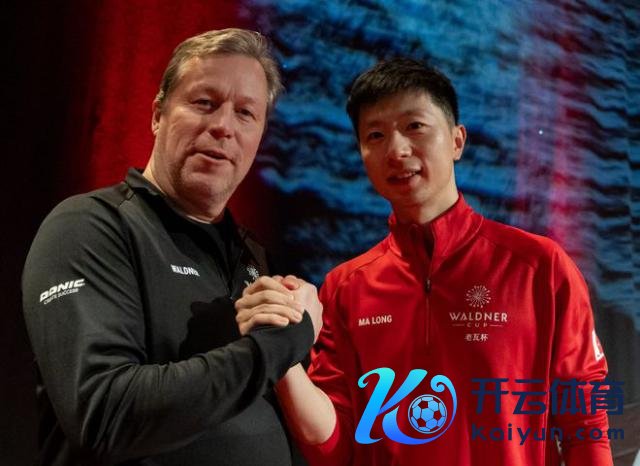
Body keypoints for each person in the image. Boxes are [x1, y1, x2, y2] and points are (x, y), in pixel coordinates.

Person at [236, 58, 614, 465]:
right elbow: (335, 444)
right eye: (375, 135)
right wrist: (281, 354)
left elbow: (584, 422)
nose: (396, 150)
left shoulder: (539, 267)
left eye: (414, 126)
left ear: (456, 141)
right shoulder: (346, 288)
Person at [21, 28, 322, 466]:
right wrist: (281, 343)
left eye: (245, 113)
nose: (223, 127)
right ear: (158, 114)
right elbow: (104, 414)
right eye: (204, 103)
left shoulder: (255, 258)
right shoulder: (90, 227)